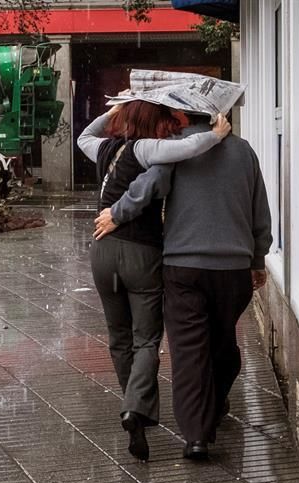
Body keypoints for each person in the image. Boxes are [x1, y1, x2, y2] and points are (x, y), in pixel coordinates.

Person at [98, 111, 272, 460]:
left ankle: (196, 437)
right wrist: (258, 258)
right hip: (233, 268)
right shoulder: (244, 151)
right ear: (216, 114)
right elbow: (259, 211)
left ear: (183, 116)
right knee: (222, 343)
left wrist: (117, 212)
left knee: (189, 353)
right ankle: (215, 400)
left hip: (183, 267)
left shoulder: (174, 150)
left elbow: (150, 186)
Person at [77, 101, 231, 461]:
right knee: (146, 338)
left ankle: (134, 407)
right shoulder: (146, 149)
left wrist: (115, 110)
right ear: (152, 121)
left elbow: (85, 133)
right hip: (140, 252)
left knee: (118, 338)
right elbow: (188, 147)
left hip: (101, 251)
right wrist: (217, 134)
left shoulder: (103, 147)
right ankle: (134, 407)